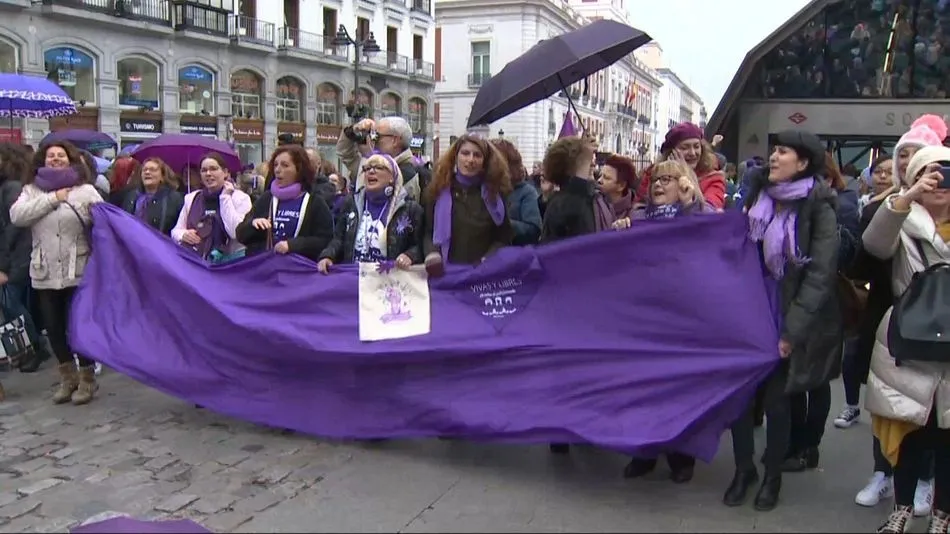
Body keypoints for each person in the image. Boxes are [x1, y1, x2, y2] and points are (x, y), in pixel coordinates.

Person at [723, 130, 841, 512]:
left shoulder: (819, 207)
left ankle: (771, 476)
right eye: (773, 150)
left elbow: (820, 274)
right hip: (747, 310)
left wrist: (792, 330)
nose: (773, 157)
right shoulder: (754, 196)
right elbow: (731, 246)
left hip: (786, 313)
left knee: (777, 403)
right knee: (740, 400)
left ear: (803, 162)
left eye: (783, 152)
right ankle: (744, 471)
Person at [863, 145, 950, 533]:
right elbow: (875, 244)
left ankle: (942, 516)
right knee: (910, 428)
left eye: (946, 171)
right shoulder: (903, 217)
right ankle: (900, 510)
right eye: (927, 173)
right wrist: (906, 198)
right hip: (911, 340)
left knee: (949, 437)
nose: (939, 180)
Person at [10, 141, 103, 405]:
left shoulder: (86, 190)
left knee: (78, 327)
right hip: (45, 270)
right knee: (54, 327)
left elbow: (104, 222)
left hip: (79, 268)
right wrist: (53, 198)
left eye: (61, 155)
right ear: (42, 160)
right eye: (51, 156)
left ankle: (87, 379)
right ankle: (68, 378)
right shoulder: (31, 190)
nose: (55, 159)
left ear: (70, 159)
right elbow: (18, 216)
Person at [317, 152, 424, 272]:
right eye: (367, 168)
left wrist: (410, 255)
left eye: (379, 167)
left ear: (392, 177)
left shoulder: (410, 209)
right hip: (355, 279)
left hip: (389, 281)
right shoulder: (351, 202)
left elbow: (421, 245)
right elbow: (338, 238)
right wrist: (328, 256)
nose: (371, 171)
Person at [422, 134, 512, 276]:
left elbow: (503, 237)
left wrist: (487, 260)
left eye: (477, 155)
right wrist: (432, 254)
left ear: (485, 161)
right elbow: (427, 231)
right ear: (456, 157)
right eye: (465, 153)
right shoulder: (437, 190)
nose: (470, 160)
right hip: (445, 274)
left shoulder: (495, 194)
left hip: (481, 274)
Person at [236, 145, 334, 262]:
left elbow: (325, 239)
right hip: (266, 271)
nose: (277, 169)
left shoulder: (314, 201)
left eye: (285, 165)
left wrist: (293, 245)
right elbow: (240, 235)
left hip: (299, 272)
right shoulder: (267, 198)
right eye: (275, 165)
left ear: (299, 169)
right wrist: (253, 225)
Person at [171, 153, 252, 262]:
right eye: (204, 170)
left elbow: (235, 232)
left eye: (213, 169)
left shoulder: (240, 198)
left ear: (225, 173)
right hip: (195, 262)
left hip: (229, 265)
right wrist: (184, 235)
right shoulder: (191, 198)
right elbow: (176, 231)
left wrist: (225, 198)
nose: (208, 174)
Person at [638, 123, 727, 209]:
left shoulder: (714, 178)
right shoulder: (653, 175)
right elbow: (639, 205)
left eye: (696, 147)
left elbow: (710, 211)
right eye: (685, 148)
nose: (692, 153)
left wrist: (687, 174)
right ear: (671, 152)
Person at [491, 138, 541, 246]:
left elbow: (534, 230)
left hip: (515, 255)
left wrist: (503, 223)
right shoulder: (484, 189)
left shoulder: (526, 192)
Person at [118, 157, 184, 236]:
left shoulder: (174, 198)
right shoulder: (131, 196)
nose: (147, 172)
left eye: (153, 170)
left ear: (162, 177)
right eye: (144, 170)